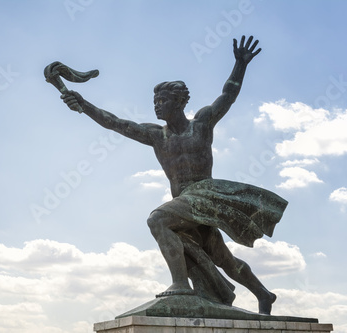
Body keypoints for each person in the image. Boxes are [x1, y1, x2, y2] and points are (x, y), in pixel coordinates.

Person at [60, 36, 287, 315]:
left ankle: (180, 283)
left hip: (205, 195)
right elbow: (115, 123)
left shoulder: (201, 124)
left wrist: (240, 64)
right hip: (186, 204)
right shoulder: (156, 135)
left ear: (179, 102)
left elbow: (227, 96)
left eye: (163, 100)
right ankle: (264, 294)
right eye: (155, 100)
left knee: (158, 219)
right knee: (223, 258)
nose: (157, 105)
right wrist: (83, 104)